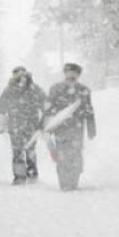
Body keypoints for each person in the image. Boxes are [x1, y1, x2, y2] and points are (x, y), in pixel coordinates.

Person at [43, 63, 96, 191]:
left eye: (75, 73)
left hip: (77, 128)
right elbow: (48, 109)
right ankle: (64, 183)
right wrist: (45, 125)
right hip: (61, 128)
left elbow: (89, 109)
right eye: (69, 72)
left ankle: (73, 181)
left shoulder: (84, 90)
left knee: (76, 155)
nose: (72, 75)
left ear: (78, 75)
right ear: (65, 73)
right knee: (62, 156)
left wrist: (91, 128)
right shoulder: (55, 88)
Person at [0, 66, 45, 185]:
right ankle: (32, 175)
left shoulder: (10, 89)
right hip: (31, 124)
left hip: (16, 124)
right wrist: (43, 121)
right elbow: (45, 106)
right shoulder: (35, 89)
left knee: (18, 151)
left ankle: (20, 177)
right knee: (30, 150)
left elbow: (0, 107)